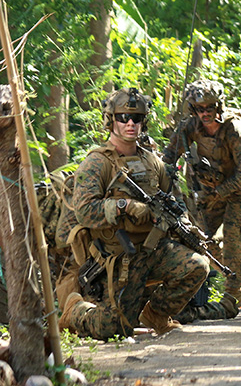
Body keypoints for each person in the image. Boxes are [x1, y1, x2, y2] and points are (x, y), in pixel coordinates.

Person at [59, 88, 209, 339]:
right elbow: (84, 211)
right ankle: (75, 309)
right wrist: (124, 207)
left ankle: (156, 315)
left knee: (197, 266)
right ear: (111, 120)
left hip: (152, 251)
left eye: (137, 118)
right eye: (123, 117)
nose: (130, 123)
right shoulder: (97, 163)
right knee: (113, 330)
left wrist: (184, 225)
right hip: (118, 259)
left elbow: (172, 202)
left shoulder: (153, 162)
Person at [162, 80, 241, 317]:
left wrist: (221, 192)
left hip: (239, 191)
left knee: (232, 233)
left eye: (209, 108)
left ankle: (234, 293)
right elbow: (168, 156)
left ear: (219, 106)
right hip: (210, 194)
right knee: (206, 242)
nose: (204, 113)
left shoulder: (235, 129)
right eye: (199, 109)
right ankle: (227, 280)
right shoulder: (189, 128)